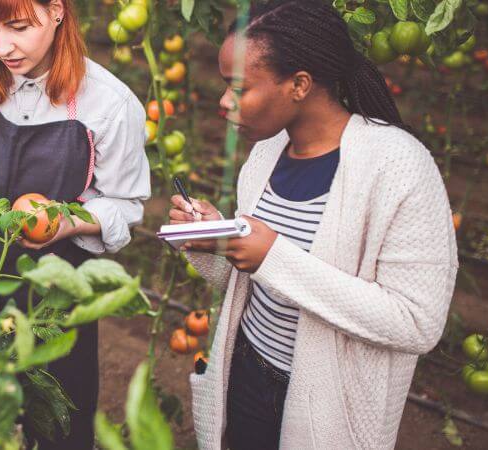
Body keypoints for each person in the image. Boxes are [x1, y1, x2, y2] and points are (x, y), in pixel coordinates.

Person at [168, 1, 458, 448]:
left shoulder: (397, 166)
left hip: (327, 402)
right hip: (246, 369)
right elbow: (250, 282)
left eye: (238, 87)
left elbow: (417, 323)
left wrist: (273, 256)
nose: (223, 100)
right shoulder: (266, 155)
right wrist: (218, 241)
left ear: (299, 84)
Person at [0, 0, 150, 447]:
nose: (3, 46)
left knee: (62, 421)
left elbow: (125, 204)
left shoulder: (110, 102)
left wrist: (69, 223)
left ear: (57, 11)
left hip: (57, 297)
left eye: (18, 26)